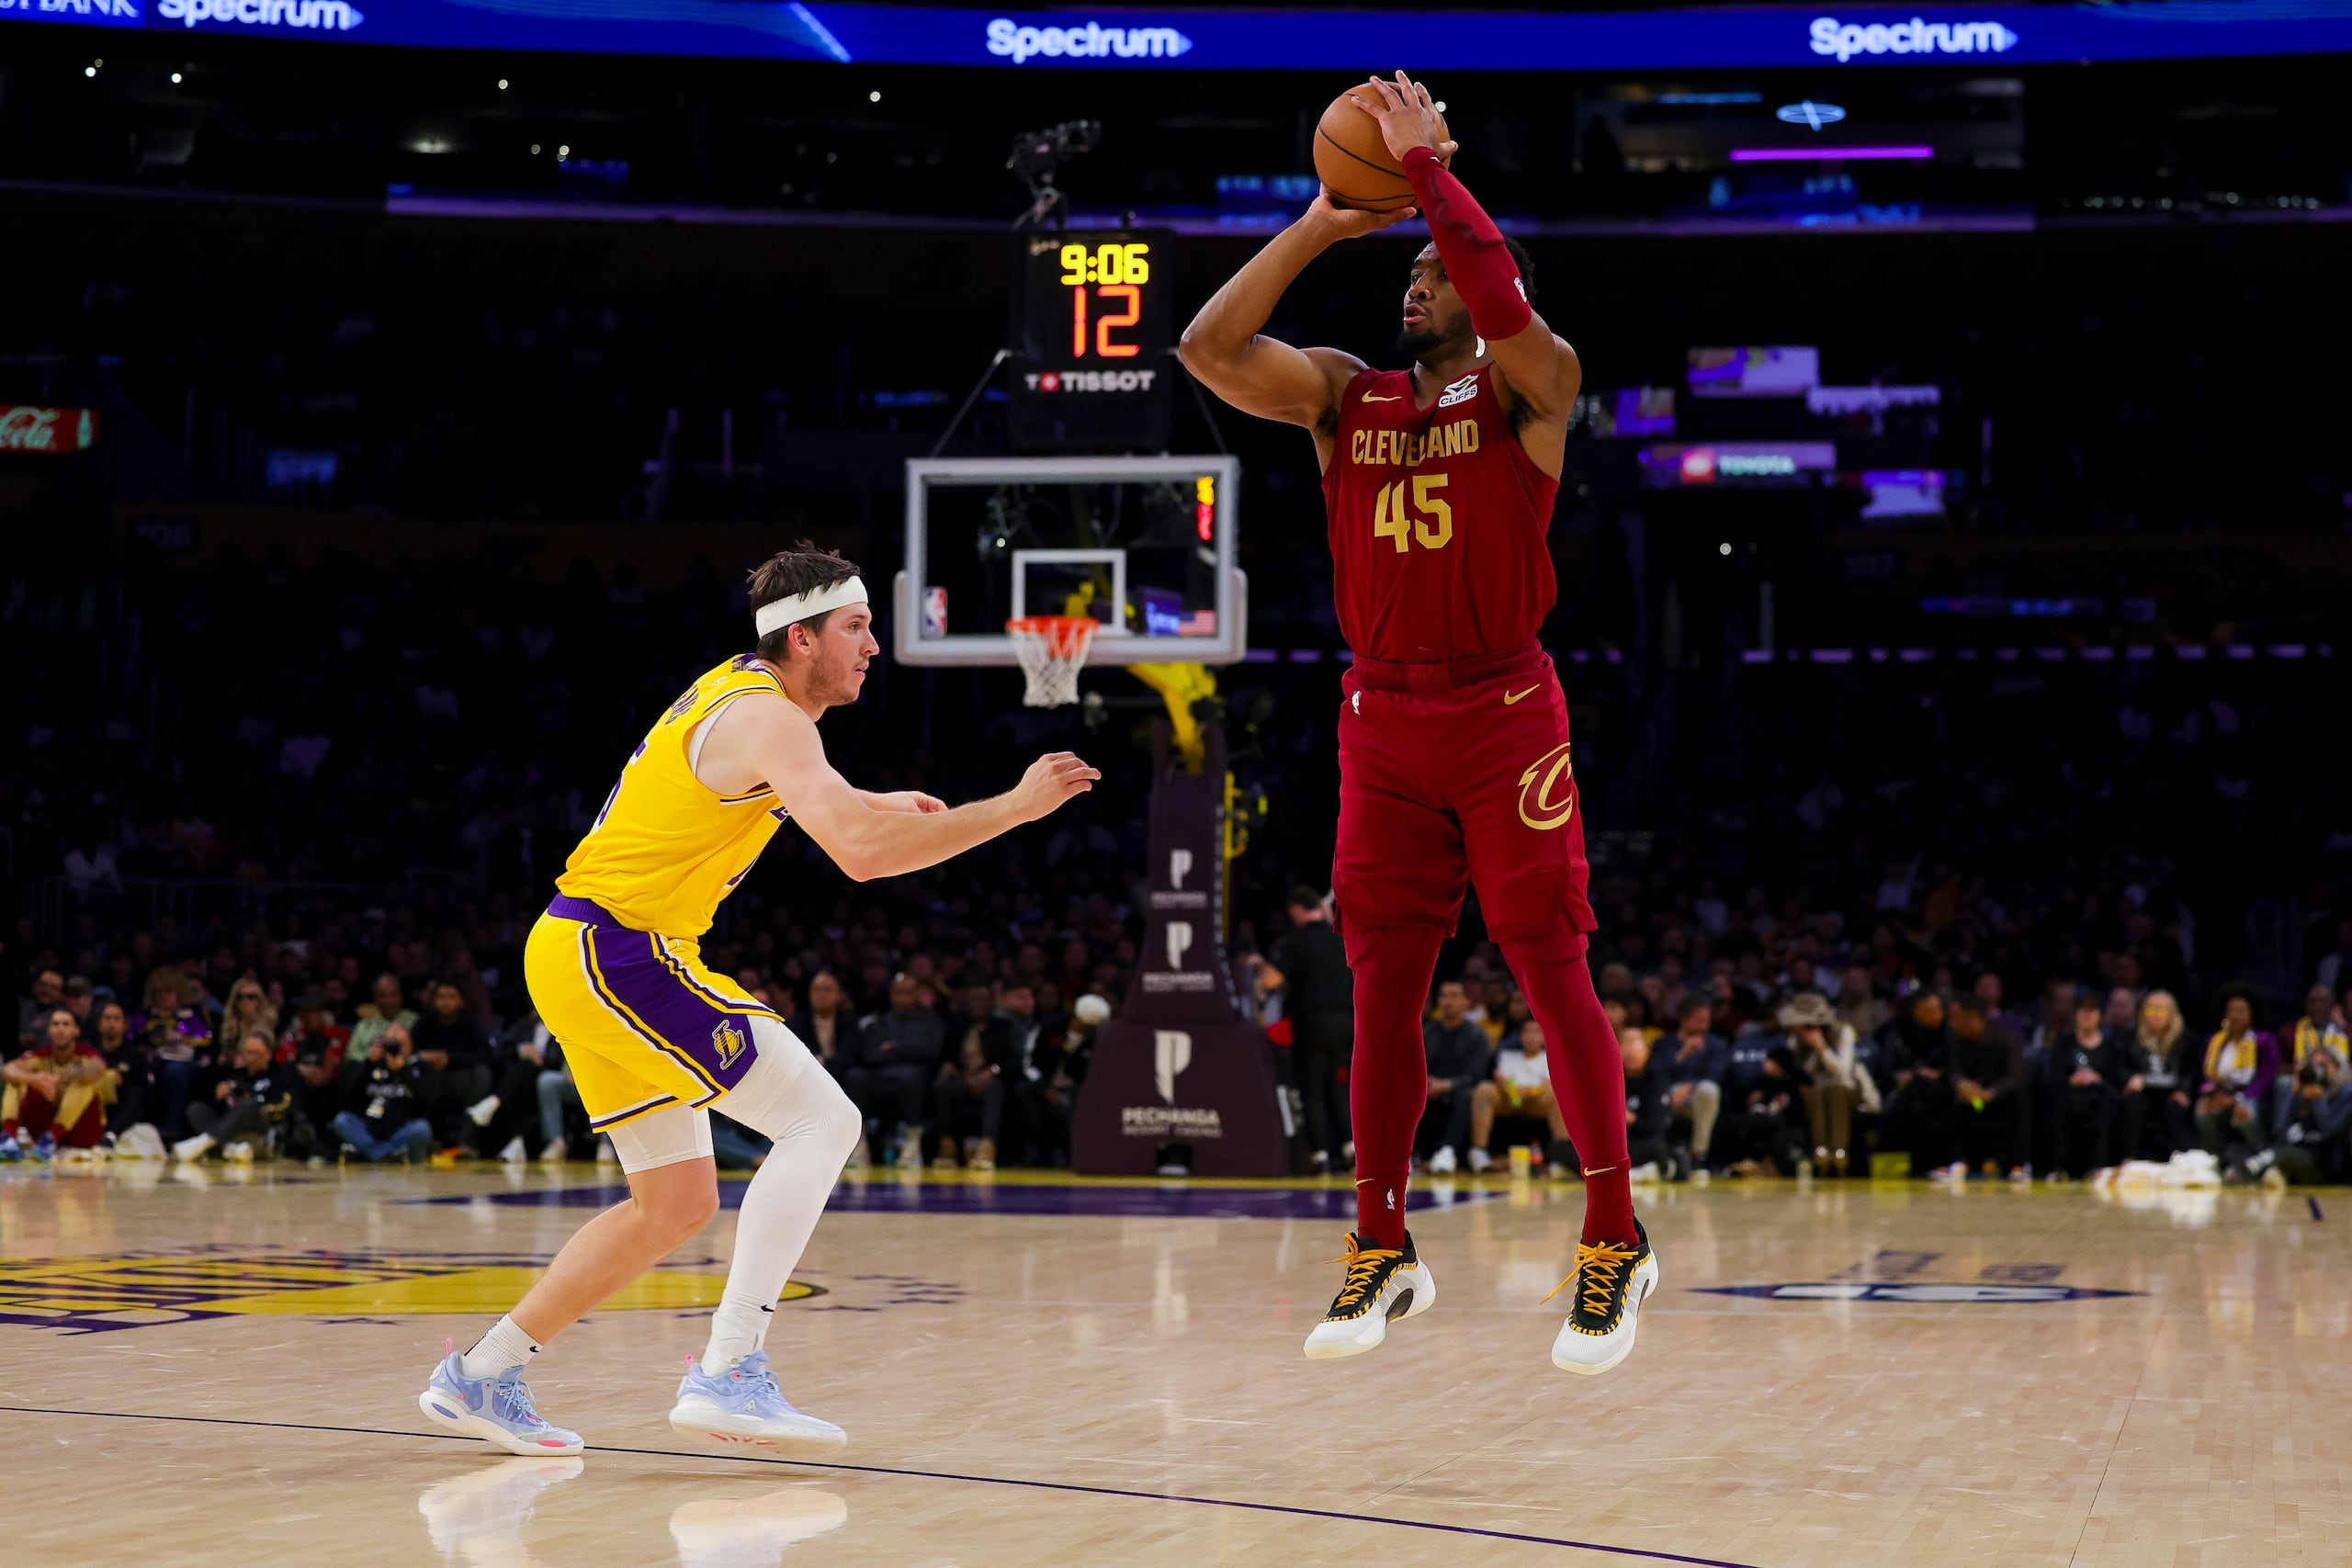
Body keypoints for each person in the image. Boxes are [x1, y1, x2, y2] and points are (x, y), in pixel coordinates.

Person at [418, 545, 1097, 1459]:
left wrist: (874, 799)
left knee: (673, 1204)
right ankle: (730, 1369)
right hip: (621, 950)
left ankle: (482, 1374)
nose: (874, 646)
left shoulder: (742, 695)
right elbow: (859, 854)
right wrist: (1012, 807)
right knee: (824, 1119)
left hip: (577, 948)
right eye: (856, 627)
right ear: (802, 637)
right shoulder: (771, 717)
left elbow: (806, 797)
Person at [1182, 72, 1649, 1373]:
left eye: (1435, 273)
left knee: (1549, 965)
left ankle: (1613, 1234)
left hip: (1505, 711)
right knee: (1382, 985)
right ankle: (1380, 1244)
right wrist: (1320, 222)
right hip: (1380, 717)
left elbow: (1500, 299)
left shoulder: (1534, 384)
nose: (1417, 285)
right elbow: (1208, 349)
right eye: (1410, 272)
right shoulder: (1346, 394)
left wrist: (1434, 174)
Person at [1255, 887, 1354, 1175]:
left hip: (1313, 1023)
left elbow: (1272, 980)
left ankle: (1320, 1155)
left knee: (1311, 1089)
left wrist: (1258, 965)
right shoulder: (1341, 938)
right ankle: (1350, 1148)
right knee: (1334, 1085)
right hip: (1346, 1022)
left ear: (1296, 910)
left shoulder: (1297, 940)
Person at [845, 973, 945, 1168]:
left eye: (908, 993)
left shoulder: (930, 1022)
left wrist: (893, 1048)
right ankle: (859, 1144)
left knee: (913, 1078)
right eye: (899, 993)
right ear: (891, 995)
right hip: (881, 1077)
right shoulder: (879, 1022)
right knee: (855, 1076)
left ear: (917, 995)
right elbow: (871, 1055)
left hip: (912, 1079)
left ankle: (912, 1144)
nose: (903, 998)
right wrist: (907, 1050)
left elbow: (929, 1051)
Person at [0, 1009, 118, 1161]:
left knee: (85, 1083)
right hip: (42, 1129)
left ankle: (53, 1136)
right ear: (49, 1030)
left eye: (66, 1024)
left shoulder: (87, 1055)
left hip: (82, 1131)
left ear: (76, 1031)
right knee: (16, 1081)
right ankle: (9, 1138)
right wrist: (36, 1080)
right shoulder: (40, 1056)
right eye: (55, 1024)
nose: (60, 1029)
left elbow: (98, 1068)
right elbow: (8, 1070)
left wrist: (59, 1080)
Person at [1782, 993, 1871, 1178]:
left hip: (1847, 1090)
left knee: (1835, 1091)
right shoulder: (1795, 1040)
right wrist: (1810, 1047)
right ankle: (1821, 1151)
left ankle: (1839, 1151)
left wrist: (1821, 1047)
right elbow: (1803, 1073)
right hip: (1814, 1094)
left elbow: (1842, 1071)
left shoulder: (1843, 1031)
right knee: (1814, 1092)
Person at [2045, 989, 2131, 1178]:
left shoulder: (2111, 1048)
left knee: (2102, 1103)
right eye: (2083, 1010)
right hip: (2070, 1096)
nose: (2087, 1015)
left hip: (2100, 1097)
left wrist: (2098, 1079)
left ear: (2100, 1014)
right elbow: (2053, 1077)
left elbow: (2117, 1082)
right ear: (2075, 1013)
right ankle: (2058, 1167)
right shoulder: (2063, 1044)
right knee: (2060, 1102)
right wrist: (2071, 1080)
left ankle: (2098, 1167)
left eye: (2092, 1010)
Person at [1469, 1016, 1573, 1172]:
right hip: (1510, 1099)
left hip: (1537, 1101)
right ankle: (1478, 1151)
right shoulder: (1508, 1056)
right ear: (1520, 1036)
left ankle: (1562, 1154)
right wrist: (1514, 1092)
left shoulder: (1549, 1058)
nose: (1531, 1036)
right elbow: (1501, 1078)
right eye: (1527, 1032)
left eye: (1536, 1032)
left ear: (1543, 1036)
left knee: (1555, 1093)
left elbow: (1548, 1082)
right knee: (1483, 1090)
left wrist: (1528, 1091)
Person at [175, 1029, 292, 1163]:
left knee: (249, 1105)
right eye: (248, 1053)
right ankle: (230, 1149)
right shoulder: (237, 1075)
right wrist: (219, 1098)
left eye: (257, 1053)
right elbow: (223, 1110)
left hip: (261, 1128)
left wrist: (252, 1103)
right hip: (232, 1129)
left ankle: (204, 1142)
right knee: (196, 1108)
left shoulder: (280, 1075)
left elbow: (285, 1107)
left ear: (269, 1054)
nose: (252, 1058)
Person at [334, 1022, 438, 1164]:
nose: (394, 1049)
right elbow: (348, 1096)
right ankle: (386, 1155)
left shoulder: (420, 1068)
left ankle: (372, 1154)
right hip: (370, 1131)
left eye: (399, 1044)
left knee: (422, 1129)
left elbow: (429, 1099)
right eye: (389, 1044)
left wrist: (403, 1071)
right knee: (342, 1120)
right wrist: (368, 1063)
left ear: (410, 1045)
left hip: (402, 1132)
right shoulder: (372, 1066)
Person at [2193, 988, 2278, 1159]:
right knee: (2202, 1111)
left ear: (2251, 1015)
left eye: (2241, 1011)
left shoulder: (2263, 1040)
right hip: (2221, 1094)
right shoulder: (2214, 1041)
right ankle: (2214, 1157)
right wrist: (2212, 1094)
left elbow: (2267, 1078)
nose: (2235, 1016)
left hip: (2252, 1095)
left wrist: (2238, 1098)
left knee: (2245, 1113)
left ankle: (2264, 1154)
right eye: (2231, 1010)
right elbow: (2206, 1076)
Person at [1419, 980, 1493, 1174]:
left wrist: (1447, 1085)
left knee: (1467, 1093)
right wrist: (1427, 1082)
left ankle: (1448, 1151)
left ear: (1466, 1001)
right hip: (1429, 1090)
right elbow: (1415, 1066)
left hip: (1460, 1092)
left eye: (1454, 996)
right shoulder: (1426, 1032)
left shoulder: (1477, 1036)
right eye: (1443, 996)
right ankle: (1405, 1154)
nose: (1448, 1001)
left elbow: (1476, 1074)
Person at [2125, 988, 2195, 1159]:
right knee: (2133, 1102)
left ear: (2172, 1014)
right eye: (2151, 1009)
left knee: (2177, 1106)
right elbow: (2121, 1067)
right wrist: (2130, 1078)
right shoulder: (2131, 1037)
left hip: (2172, 1092)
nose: (2156, 1015)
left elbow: (2192, 1071)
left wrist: (2185, 1090)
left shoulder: (2185, 1040)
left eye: (2161, 1010)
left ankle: (2179, 1159)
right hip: (2144, 1093)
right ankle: (2130, 1158)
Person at [2272, 985, 2348, 1136]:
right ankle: (2280, 1137)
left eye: (2323, 1002)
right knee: (2284, 1082)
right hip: (2299, 1087)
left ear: (2333, 1005)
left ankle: (2326, 1135)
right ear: (2306, 1006)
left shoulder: (2346, 1033)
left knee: (2350, 1090)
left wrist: (2331, 1072)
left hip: (2335, 1088)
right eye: (2312, 1002)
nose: (2317, 1007)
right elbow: (2278, 1067)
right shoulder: (2289, 1032)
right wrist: (2300, 1073)